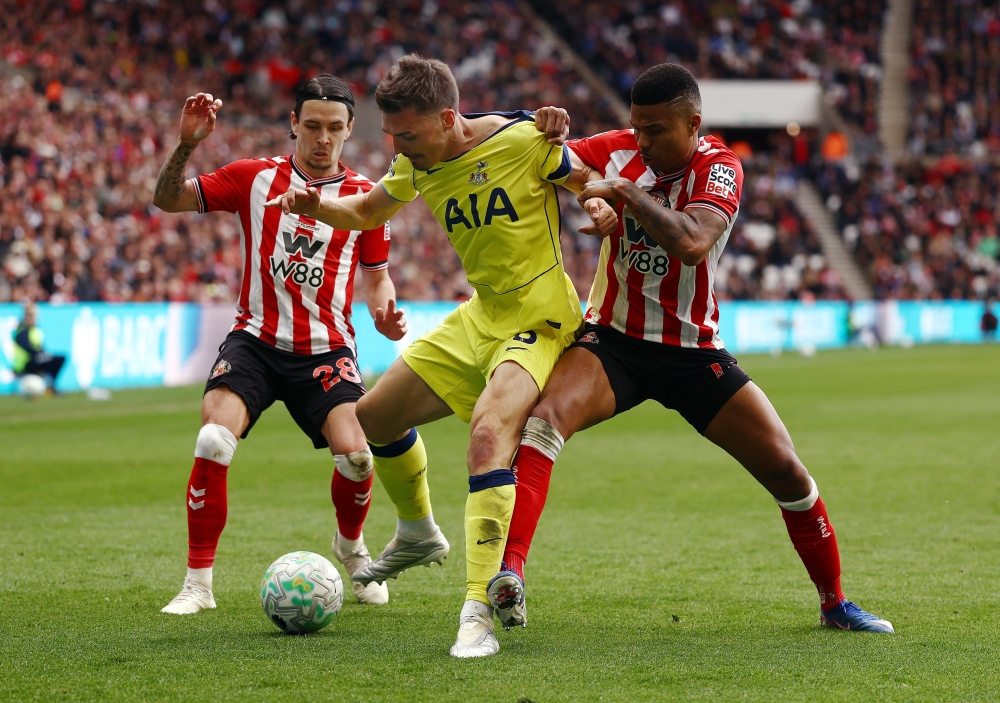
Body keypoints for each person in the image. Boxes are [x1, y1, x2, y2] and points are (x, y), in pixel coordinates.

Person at [488, 63, 894, 635]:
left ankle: (834, 603)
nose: (642, 141)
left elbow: (692, 242)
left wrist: (623, 191)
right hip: (614, 343)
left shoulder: (720, 167)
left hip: (692, 353)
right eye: (636, 128)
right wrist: (540, 124)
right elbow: (540, 152)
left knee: (788, 472)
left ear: (693, 124)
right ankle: (510, 574)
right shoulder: (620, 148)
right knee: (545, 421)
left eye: (656, 130)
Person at [266, 54, 616, 657]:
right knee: (369, 420)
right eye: (392, 135)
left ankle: (478, 609)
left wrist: (598, 205)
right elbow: (368, 211)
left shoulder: (526, 139)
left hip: (540, 318)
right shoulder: (415, 160)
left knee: (488, 433)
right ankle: (418, 531)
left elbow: (584, 178)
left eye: (408, 134)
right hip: (480, 315)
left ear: (449, 118)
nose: (399, 147)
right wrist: (312, 206)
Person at [152, 75, 408, 615]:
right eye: (311, 126)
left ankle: (351, 547)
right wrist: (188, 144)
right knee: (213, 441)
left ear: (349, 131)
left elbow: (377, 273)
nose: (322, 139)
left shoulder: (367, 197)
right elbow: (168, 199)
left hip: (327, 350)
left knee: (359, 459)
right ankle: (198, 584)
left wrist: (383, 308)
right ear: (293, 123)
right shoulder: (253, 179)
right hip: (256, 342)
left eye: (334, 129)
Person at [12, 304, 65, 392]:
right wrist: (38, 353)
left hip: (35, 360)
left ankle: (51, 385)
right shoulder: (22, 330)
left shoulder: (35, 329)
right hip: (25, 364)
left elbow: (40, 347)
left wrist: (43, 354)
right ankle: (49, 385)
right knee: (46, 360)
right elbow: (26, 346)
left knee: (59, 359)